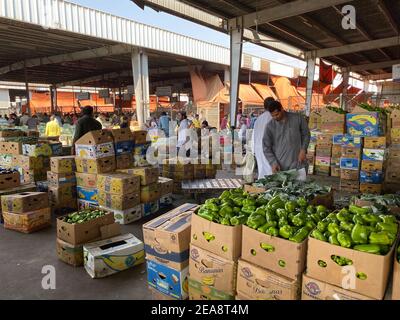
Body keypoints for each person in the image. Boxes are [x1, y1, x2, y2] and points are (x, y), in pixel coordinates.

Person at [263, 101, 311, 181]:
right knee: (283, 191)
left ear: (282, 109)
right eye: (272, 116)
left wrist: (303, 149)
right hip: (280, 166)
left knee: (300, 190)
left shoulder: (298, 118)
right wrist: (273, 162)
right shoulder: (270, 126)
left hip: (298, 163)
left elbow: (306, 134)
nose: (275, 117)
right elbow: (266, 147)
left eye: (277, 114)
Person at [253, 98, 274, 179]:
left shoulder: (259, 118)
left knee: (262, 170)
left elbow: (254, 135)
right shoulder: (273, 117)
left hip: (258, 148)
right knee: (271, 171)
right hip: (269, 149)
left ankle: (261, 188)